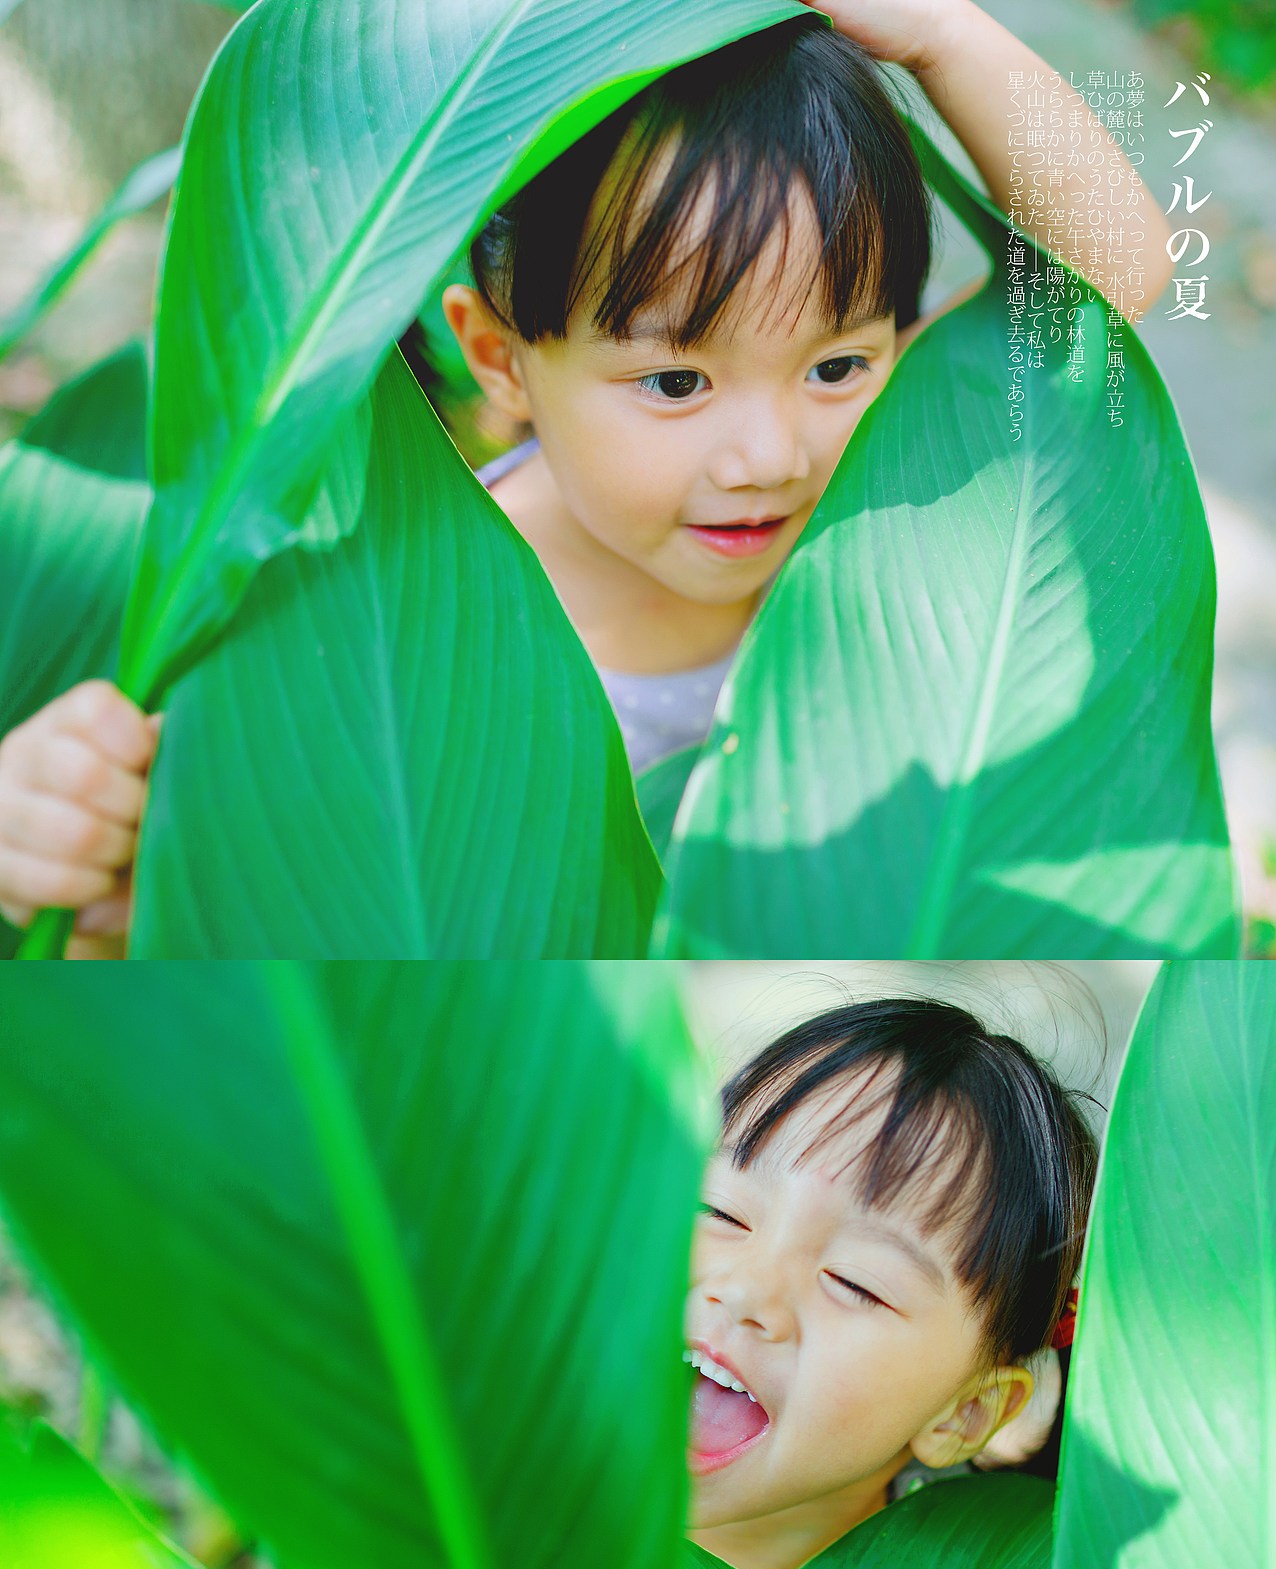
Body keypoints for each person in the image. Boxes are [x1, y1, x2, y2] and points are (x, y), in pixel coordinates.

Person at [0, 1, 1174, 954]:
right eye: (674, 384)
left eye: (836, 362)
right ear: (499, 360)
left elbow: (1102, 285)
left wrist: (941, 37)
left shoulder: (876, 501)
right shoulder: (368, 628)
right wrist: (78, 858)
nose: (769, 457)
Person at [328, 996, 1098, 1569]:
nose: (744, 1290)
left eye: (854, 1281)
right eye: (719, 1209)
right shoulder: (544, 1540)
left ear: (968, 1409)